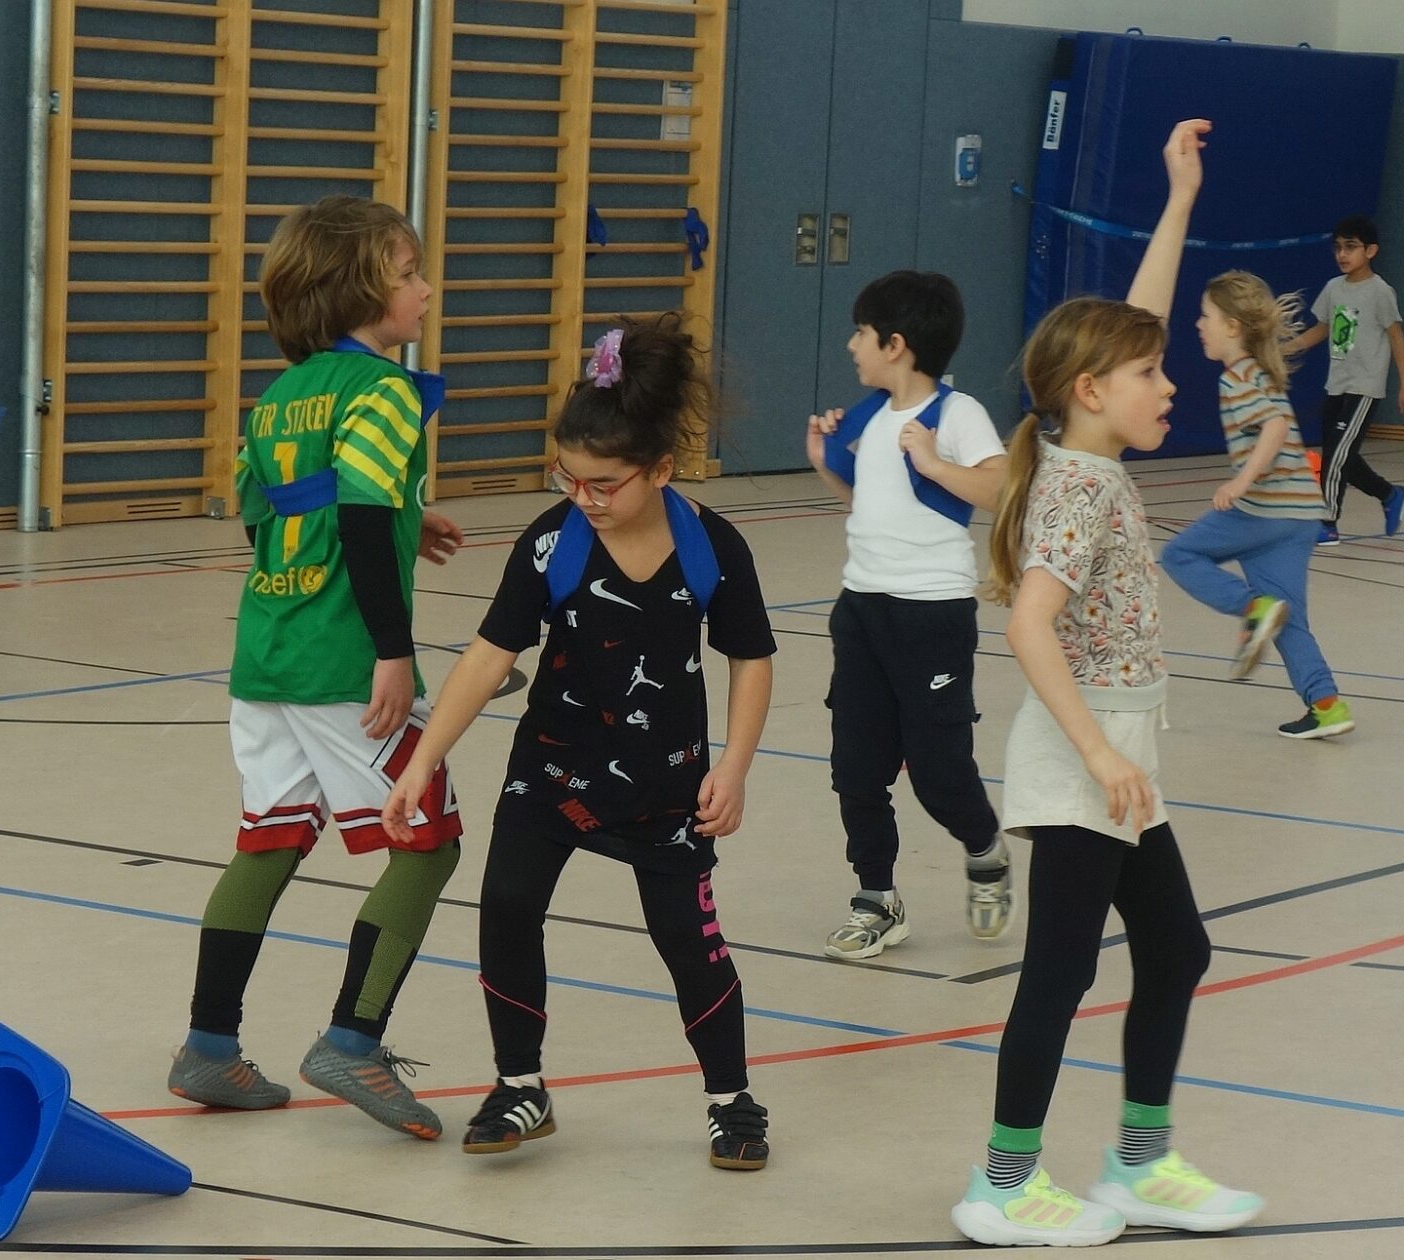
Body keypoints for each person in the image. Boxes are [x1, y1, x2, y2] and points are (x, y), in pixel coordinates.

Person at [950, 119, 1262, 1247]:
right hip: (1091, 760)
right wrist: (1094, 752)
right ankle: (1004, 1183)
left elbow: (1136, 318)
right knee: (1061, 971)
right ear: (1091, 390)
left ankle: (1137, 1164)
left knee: (1176, 950)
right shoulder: (1078, 490)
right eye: (1150, 373)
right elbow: (1028, 624)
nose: (1169, 380)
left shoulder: (1079, 451)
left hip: (1120, 756)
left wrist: (1176, 201)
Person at [381, 313, 779, 1171]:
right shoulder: (552, 543)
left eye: (604, 483)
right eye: (569, 478)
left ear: (660, 469)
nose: (584, 498)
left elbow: (750, 659)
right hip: (552, 768)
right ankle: (519, 1084)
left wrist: (736, 767)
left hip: (668, 784)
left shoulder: (711, 548)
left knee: (689, 943)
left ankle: (732, 1100)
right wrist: (422, 759)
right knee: (507, 904)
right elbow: (489, 657)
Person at [167, 195, 466, 1141]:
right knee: (430, 842)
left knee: (269, 840)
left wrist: (410, 523)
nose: (426, 288)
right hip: (344, 661)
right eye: (409, 273)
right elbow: (365, 518)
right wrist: (392, 650)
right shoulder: (383, 392)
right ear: (360, 290)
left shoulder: (281, 396)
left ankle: (208, 1046)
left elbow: (271, 516)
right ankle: (353, 1040)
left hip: (266, 654)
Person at [804, 271, 1010, 960]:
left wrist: (933, 460)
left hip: (932, 616)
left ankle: (984, 846)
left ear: (895, 345)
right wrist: (825, 462)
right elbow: (867, 504)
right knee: (856, 768)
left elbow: (1000, 487)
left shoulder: (956, 413)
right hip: (861, 610)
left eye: (861, 333)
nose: (851, 345)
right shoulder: (868, 416)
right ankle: (876, 899)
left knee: (939, 773)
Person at [1161, 271, 1353, 740]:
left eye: (1206, 316)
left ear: (1232, 327)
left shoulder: (1238, 378)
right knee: (1289, 619)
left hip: (1263, 510)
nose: (1198, 324)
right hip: (1300, 516)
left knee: (1179, 554)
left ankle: (1253, 607)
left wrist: (1241, 481)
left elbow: (1274, 428)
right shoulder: (1264, 374)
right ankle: (1326, 706)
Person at [1285, 215, 1404, 546]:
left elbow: (1396, 337)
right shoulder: (1333, 288)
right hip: (1336, 384)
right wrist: (1285, 349)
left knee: (1337, 457)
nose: (1342, 254)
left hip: (1364, 387)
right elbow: (1322, 329)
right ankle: (1390, 494)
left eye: (1350, 247)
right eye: (1337, 247)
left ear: (1371, 251)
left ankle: (1328, 523)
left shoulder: (1380, 292)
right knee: (1339, 455)